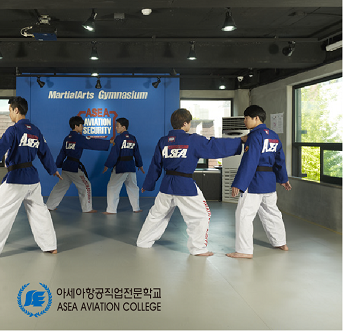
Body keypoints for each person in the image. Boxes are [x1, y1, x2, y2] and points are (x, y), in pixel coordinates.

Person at [136, 108, 244, 256]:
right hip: (184, 185)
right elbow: (214, 146)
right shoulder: (192, 140)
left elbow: (156, 165)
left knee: (157, 215)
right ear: (185, 123)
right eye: (189, 123)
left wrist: (148, 184)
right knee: (201, 215)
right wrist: (239, 141)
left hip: (167, 185)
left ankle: (143, 242)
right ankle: (198, 249)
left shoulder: (163, 141)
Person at [0, 96, 62, 260]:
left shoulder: (13, 130)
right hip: (32, 179)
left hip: (16, 178)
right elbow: (45, 152)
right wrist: (53, 169)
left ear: (16, 110)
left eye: (10, 110)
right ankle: (50, 245)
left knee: (1, 213)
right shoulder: (35, 131)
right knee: (40, 213)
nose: (9, 114)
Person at [226, 105, 292, 259]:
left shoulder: (255, 136)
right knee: (272, 213)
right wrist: (283, 179)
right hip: (269, 182)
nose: (244, 121)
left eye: (246, 118)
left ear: (256, 118)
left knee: (244, 215)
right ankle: (281, 242)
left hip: (254, 181)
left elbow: (249, 162)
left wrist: (238, 183)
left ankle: (244, 250)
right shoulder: (273, 136)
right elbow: (280, 160)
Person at [46, 116, 111, 213]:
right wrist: (109, 142)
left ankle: (49, 206)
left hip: (66, 166)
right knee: (86, 186)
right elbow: (92, 143)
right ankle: (87, 208)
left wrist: (56, 167)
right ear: (76, 126)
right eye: (81, 125)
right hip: (74, 167)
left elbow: (62, 153)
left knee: (60, 187)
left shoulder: (67, 138)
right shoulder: (79, 138)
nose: (82, 127)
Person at [102, 117, 145, 214]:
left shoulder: (119, 138)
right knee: (133, 188)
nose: (116, 128)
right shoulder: (133, 138)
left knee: (113, 187)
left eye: (117, 126)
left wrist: (107, 165)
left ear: (123, 127)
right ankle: (136, 208)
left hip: (120, 166)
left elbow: (114, 154)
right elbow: (137, 153)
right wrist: (140, 165)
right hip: (131, 167)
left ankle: (111, 210)